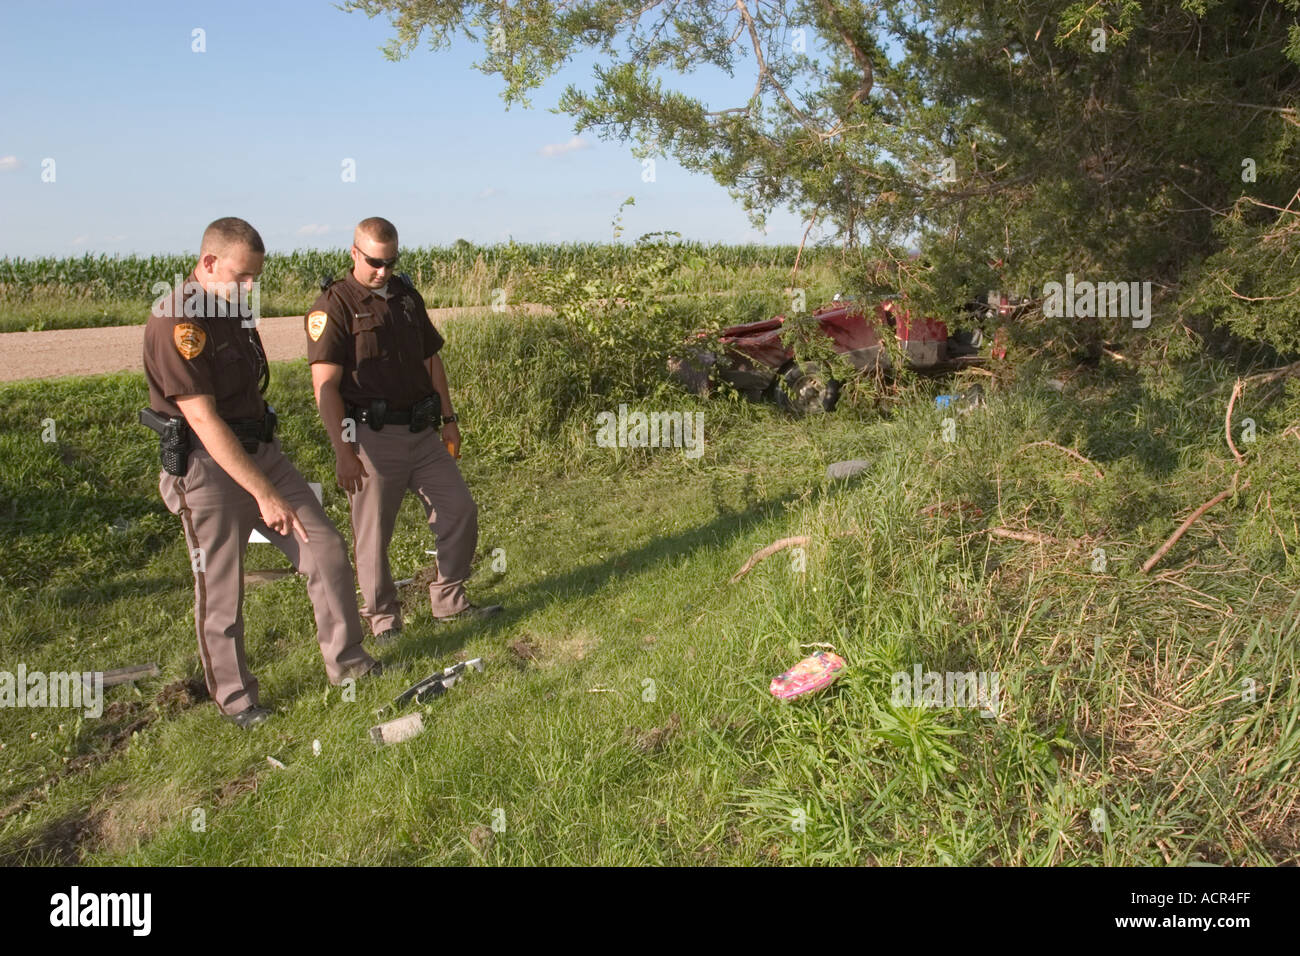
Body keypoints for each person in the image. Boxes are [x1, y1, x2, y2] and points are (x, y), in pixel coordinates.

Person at [142, 217, 381, 729]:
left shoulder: (230, 308)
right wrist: (265, 495)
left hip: (259, 449)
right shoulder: (176, 319)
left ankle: (350, 665)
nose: (250, 289)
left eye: (256, 278)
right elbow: (202, 417)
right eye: (242, 277)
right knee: (222, 588)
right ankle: (237, 700)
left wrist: (268, 476)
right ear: (208, 263)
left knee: (325, 550)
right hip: (208, 466)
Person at [305, 216, 500, 642]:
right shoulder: (333, 305)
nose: (383, 271)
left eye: (391, 261)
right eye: (375, 261)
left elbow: (432, 360)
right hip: (371, 436)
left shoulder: (407, 297)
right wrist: (343, 450)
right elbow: (326, 386)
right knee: (374, 534)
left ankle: (449, 600)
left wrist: (449, 420)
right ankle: (383, 620)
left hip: (421, 430)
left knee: (459, 510)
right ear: (354, 253)